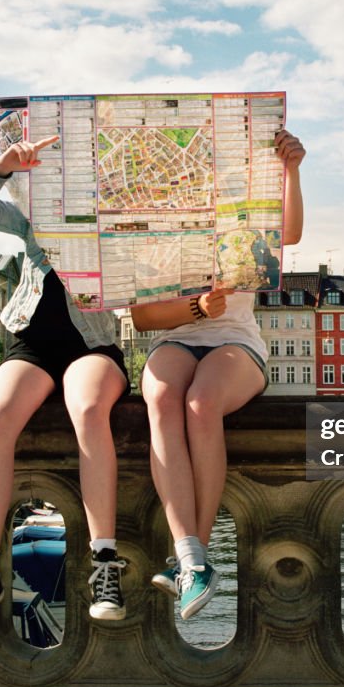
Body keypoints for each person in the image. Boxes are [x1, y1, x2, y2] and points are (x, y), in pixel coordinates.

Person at [0, 135, 130, 631]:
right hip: (30, 342)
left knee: (88, 409)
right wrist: (0, 167)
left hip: (91, 345)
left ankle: (104, 564)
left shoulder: (114, 223)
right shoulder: (32, 219)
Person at [132, 129, 306, 619]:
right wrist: (196, 307)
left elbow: (288, 232)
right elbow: (144, 319)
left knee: (200, 404)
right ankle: (193, 562)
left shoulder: (244, 220)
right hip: (177, 338)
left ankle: (191, 558)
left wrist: (291, 169)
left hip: (236, 343)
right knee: (163, 398)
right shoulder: (156, 230)